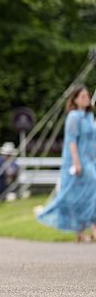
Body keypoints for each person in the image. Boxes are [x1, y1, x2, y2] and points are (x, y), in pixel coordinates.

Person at [38, 85, 96, 242]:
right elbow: (71, 142)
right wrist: (77, 163)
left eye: (87, 96)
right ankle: (80, 229)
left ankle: (90, 228)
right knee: (75, 195)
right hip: (78, 161)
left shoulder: (89, 117)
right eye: (82, 96)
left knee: (90, 195)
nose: (86, 99)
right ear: (75, 99)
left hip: (91, 160)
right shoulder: (73, 117)